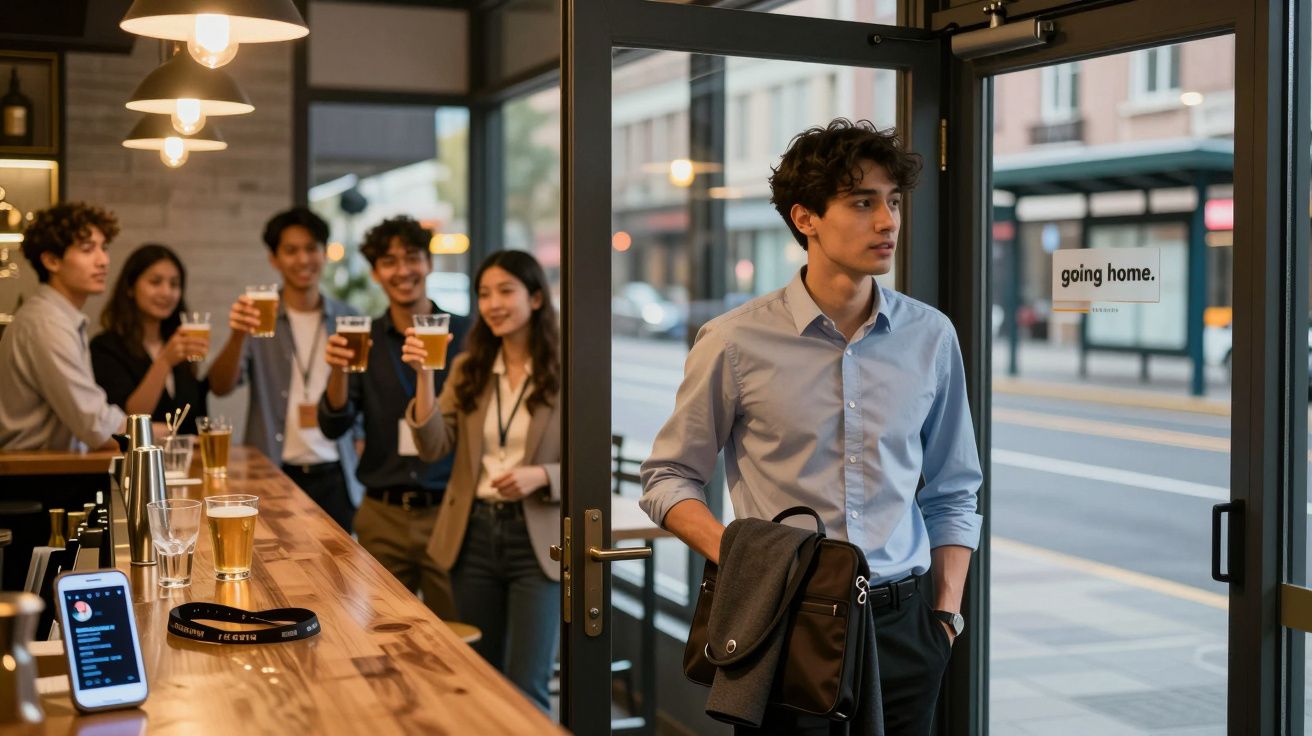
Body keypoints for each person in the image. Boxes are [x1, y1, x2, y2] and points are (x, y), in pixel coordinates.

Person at [640, 119, 983, 735]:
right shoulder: (735, 341)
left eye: (893, 201)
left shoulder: (931, 336)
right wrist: (751, 566)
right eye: (862, 202)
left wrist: (946, 616)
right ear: (806, 219)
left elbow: (954, 489)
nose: (888, 221)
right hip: (784, 624)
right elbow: (668, 477)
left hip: (905, 629)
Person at [405, 250, 561, 711]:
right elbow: (433, 445)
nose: (493, 303)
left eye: (505, 291)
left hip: (537, 540)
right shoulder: (468, 368)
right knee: (479, 675)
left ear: (535, 298)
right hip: (473, 536)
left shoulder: (564, 371)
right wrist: (424, 378)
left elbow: (590, 466)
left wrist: (542, 476)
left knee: (527, 684)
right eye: (484, 294)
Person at [318, 215, 469, 620]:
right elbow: (334, 424)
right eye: (389, 261)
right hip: (381, 515)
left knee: (458, 638)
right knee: (381, 631)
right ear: (375, 273)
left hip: (450, 512)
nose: (403, 271)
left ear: (429, 264)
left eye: (412, 257)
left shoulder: (465, 337)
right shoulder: (362, 340)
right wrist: (336, 369)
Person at [208, 207, 360, 531]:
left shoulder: (349, 318)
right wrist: (237, 334)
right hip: (275, 472)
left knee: (340, 576)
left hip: (338, 473)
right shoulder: (259, 318)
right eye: (291, 250)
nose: (303, 259)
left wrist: (360, 441)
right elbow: (221, 386)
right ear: (274, 259)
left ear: (324, 253)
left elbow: (361, 395)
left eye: (311, 248)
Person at [0, 202, 130, 451]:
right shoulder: (45, 323)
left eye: (104, 248)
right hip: (33, 479)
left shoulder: (56, 317)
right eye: (87, 249)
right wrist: (168, 433)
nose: (103, 260)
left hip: (52, 474)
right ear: (51, 260)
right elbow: (96, 427)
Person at [91, 244, 208, 435]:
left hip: (188, 460)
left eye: (174, 284)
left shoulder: (181, 343)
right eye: (155, 282)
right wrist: (164, 361)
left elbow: (197, 416)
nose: (166, 293)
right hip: (139, 461)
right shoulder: (106, 347)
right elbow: (131, 418)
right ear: (130, 287)